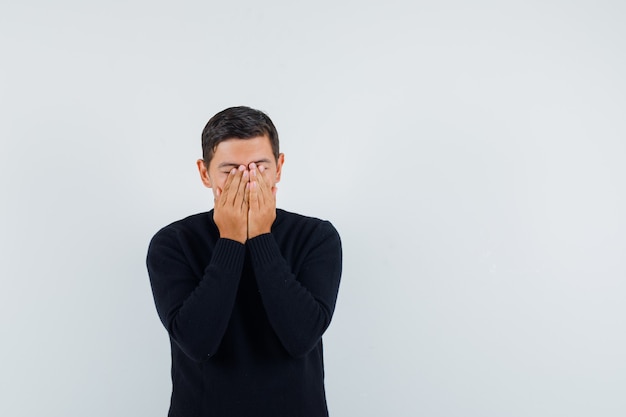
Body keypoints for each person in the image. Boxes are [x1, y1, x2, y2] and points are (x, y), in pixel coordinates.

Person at [146, 106, 343, 417]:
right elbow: (198, 343)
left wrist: (261, 236)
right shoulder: (173, 243)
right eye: (230, 170)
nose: (247, 181)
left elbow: (301, 337)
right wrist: (231, 240)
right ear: (204, 173)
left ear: (279, 167)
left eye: (259, 167)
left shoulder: (316, 237)